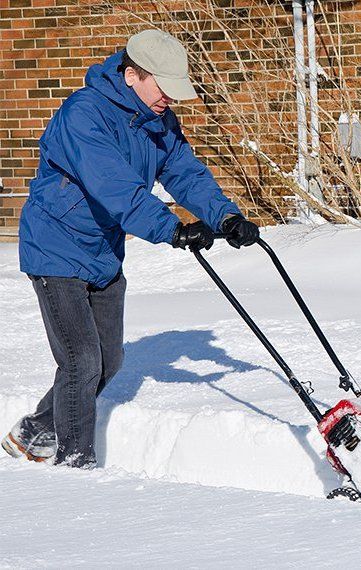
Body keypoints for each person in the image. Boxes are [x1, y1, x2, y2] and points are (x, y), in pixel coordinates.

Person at [0, 29, 260, 468]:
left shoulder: (157, 120)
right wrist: (172, 228)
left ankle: (37, 429)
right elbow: (114, 187)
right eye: (165, 89)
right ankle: (75, 463)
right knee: (81, 361)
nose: (171, 100)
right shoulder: (84, 114)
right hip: (55, 247)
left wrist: (224, 217)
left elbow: (184, 173)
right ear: (133, 74)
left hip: (102, 251)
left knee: (110, 361)